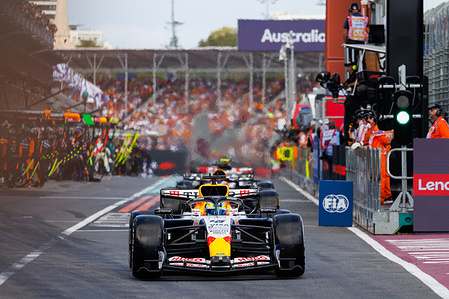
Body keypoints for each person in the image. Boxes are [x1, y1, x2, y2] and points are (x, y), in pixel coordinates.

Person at [366, 111, 392, 204]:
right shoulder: (372, 128)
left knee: (382, 175)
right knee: (381, 174)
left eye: (369, 118)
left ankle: (382, 197)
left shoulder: (376, 128)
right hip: (376, 154)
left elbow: (384, 140)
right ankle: (386, 195)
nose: (368, 120)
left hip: (380, 154)